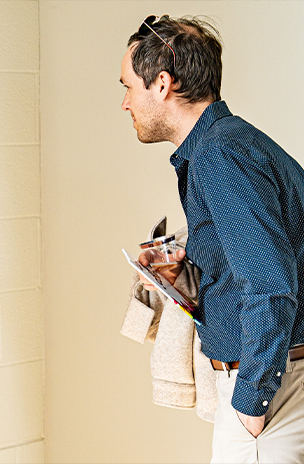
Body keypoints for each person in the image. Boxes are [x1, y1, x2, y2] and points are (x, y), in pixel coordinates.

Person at [120, 16, 304, 462]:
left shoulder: (219, 155)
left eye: (127, 86)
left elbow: (270, 284)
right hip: (281, 383)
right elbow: (263, 260)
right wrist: (182, 276)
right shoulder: (233, 144)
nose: (125, 103)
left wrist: (250, 407)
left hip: (271, 398)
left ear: (161, 84)